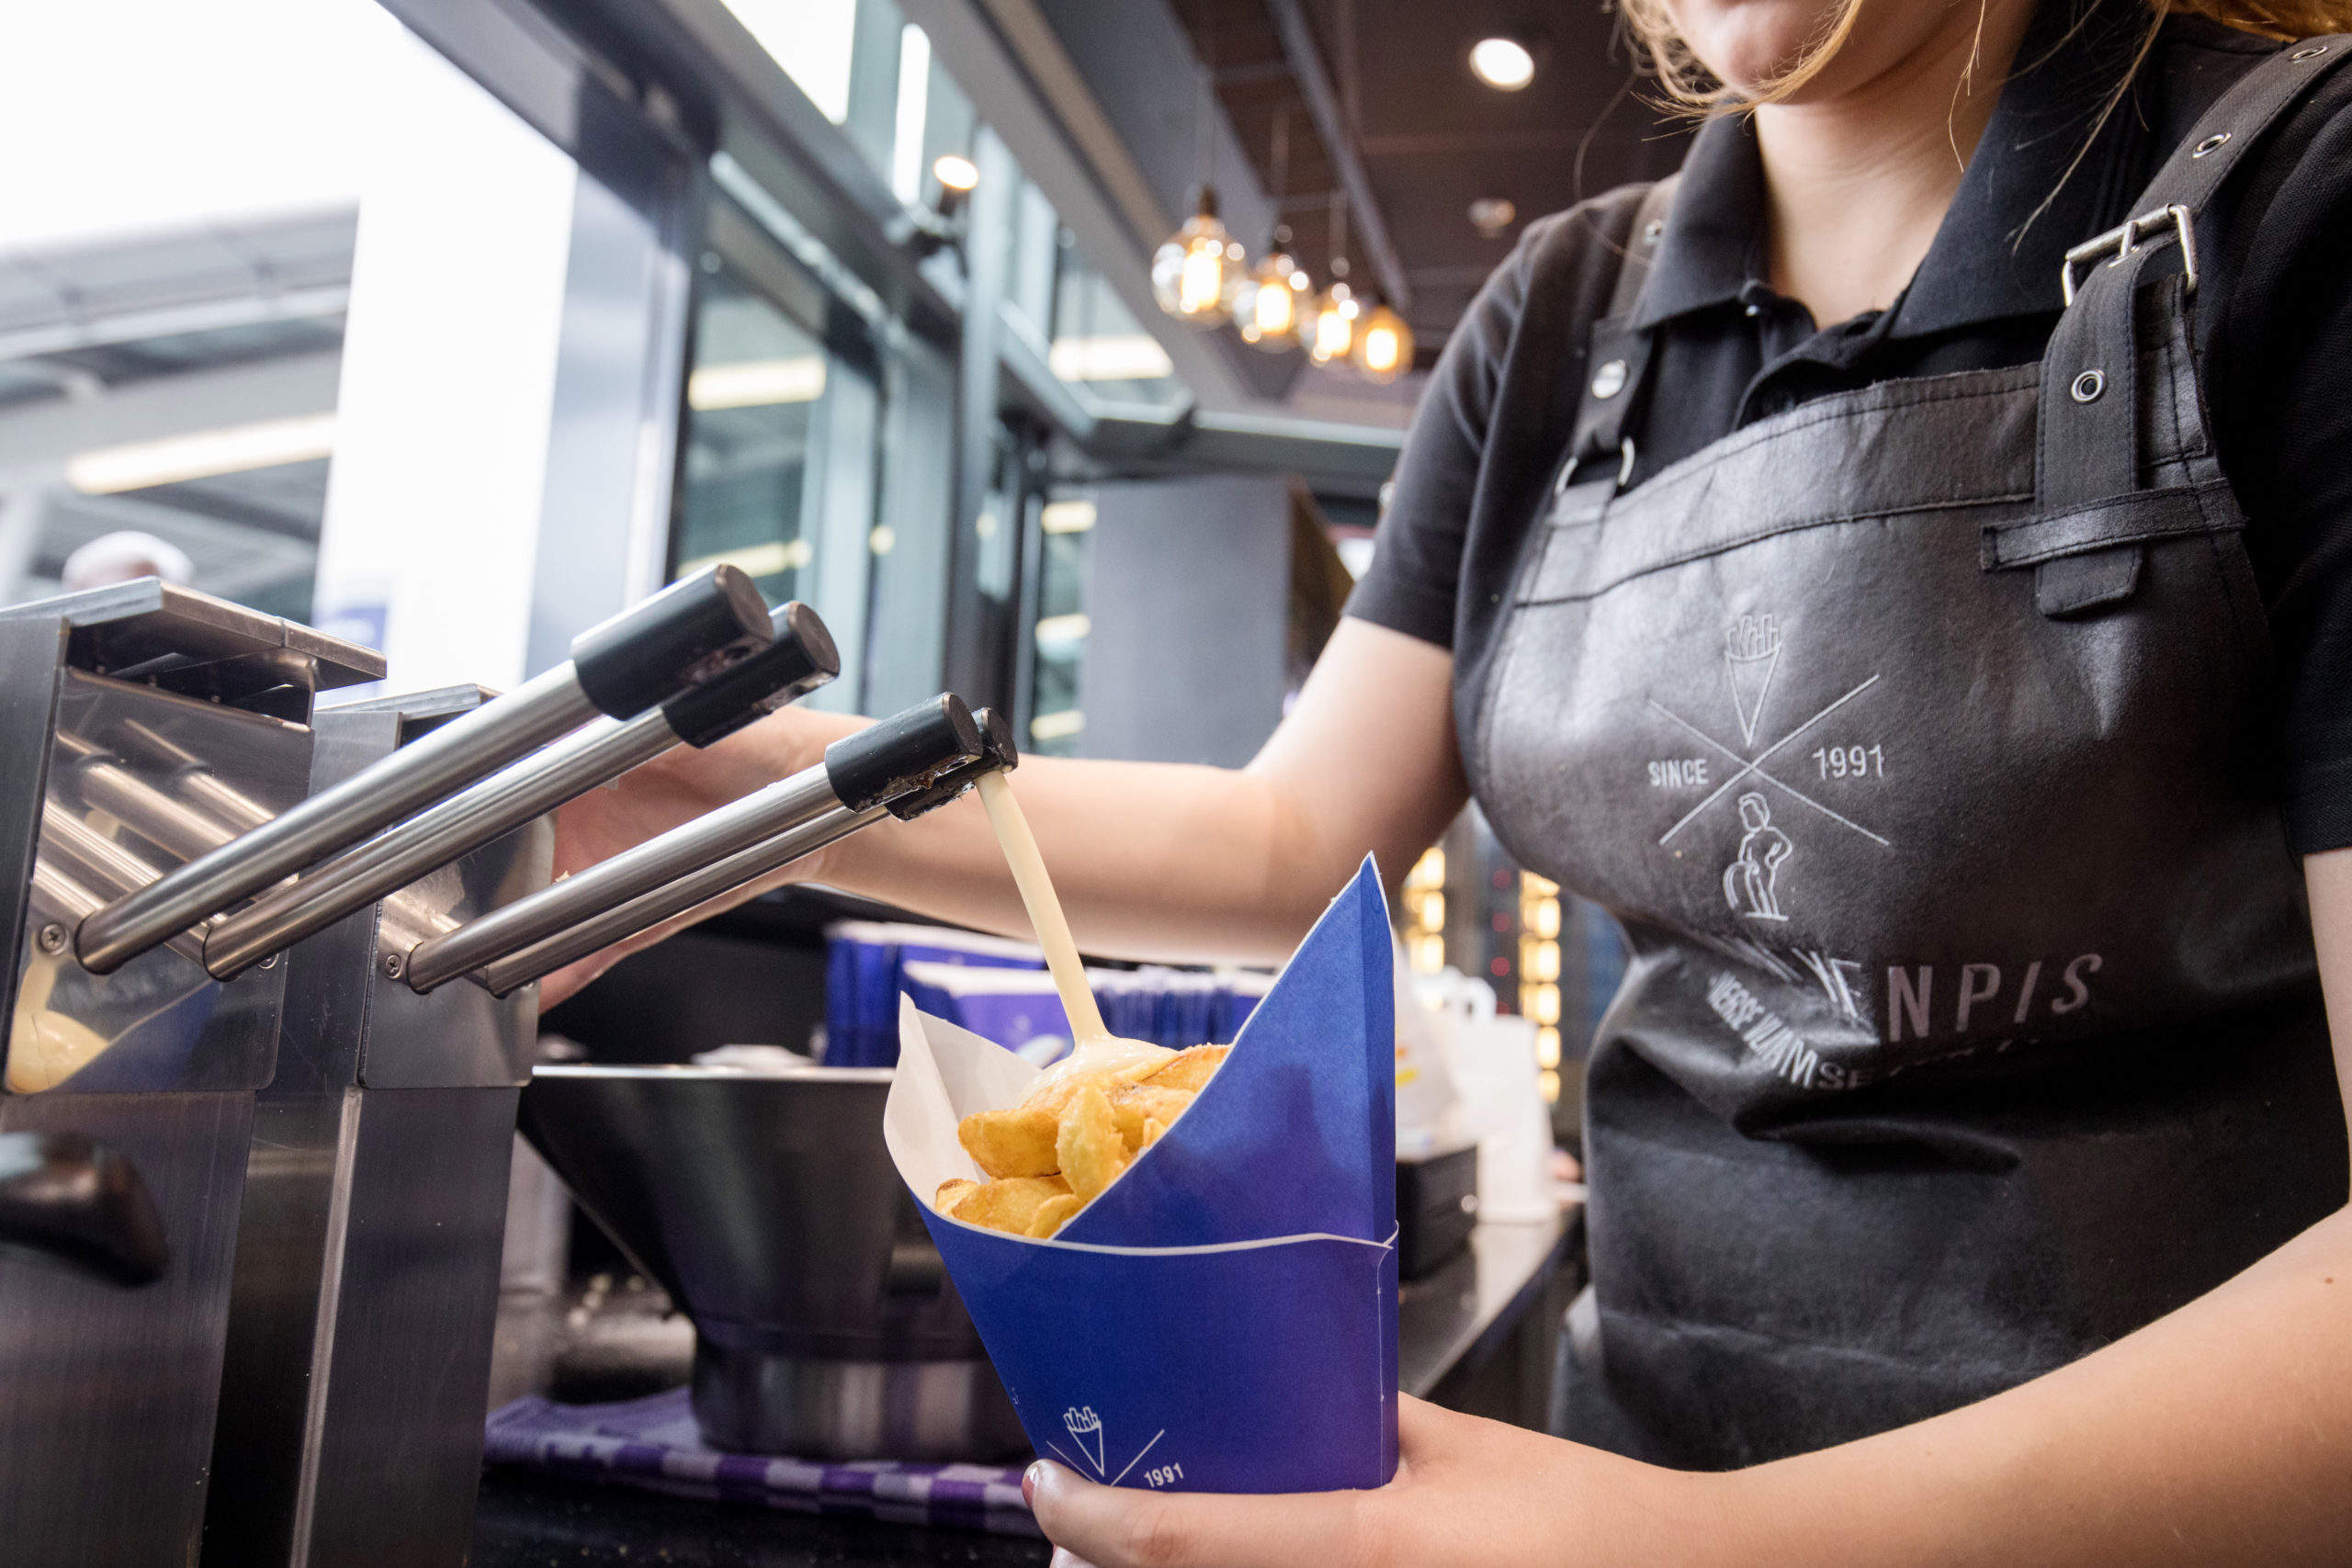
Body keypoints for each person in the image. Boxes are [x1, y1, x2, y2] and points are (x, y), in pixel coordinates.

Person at [552, 0, 2352, 1558]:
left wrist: (1714, 1551)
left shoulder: (2302, 199)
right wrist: (733, 791)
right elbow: (1288, 834)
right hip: (1638, 1439)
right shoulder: (1562, 315)